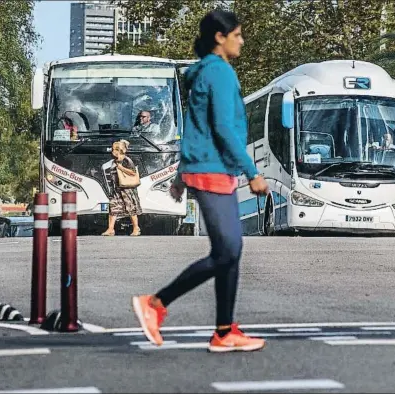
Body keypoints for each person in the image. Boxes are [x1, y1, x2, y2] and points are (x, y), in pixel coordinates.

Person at [131, 10, 270, 353]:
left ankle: (224, 331)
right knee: (228, 251)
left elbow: (197, 129)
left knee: (230, 252)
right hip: (213, 169)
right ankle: (156, 304)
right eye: (237, 35)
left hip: (208, 167)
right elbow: (222, 128)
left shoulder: (206, 73)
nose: (242, 41)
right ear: (220, 38)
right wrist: (252, 172)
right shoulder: (219, 72)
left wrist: (180, 175)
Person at [102, 140, 142, 236]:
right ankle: (111, 229)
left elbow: (133, 172)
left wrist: (121, 168)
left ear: (121, 150)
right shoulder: (115, 161)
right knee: (113, 208)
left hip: (127, 189)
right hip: (117, 189)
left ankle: (136, 228)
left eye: (115, 149)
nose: (113, 151)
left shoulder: (126, 160)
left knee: (131, 208)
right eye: (113, 149)